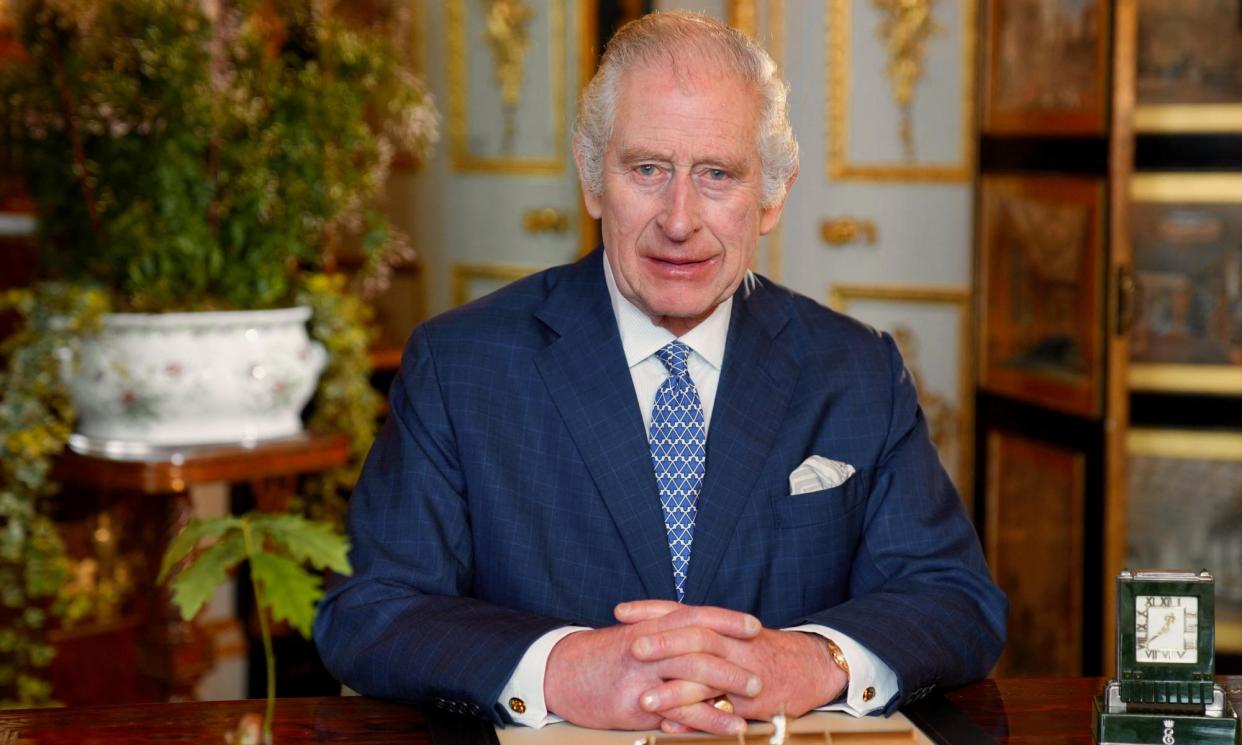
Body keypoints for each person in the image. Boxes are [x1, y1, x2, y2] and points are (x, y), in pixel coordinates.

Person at [313, 11, 1006, 737]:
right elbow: (369, 609)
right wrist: (562, 667)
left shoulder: (857, 368)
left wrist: (809, 657)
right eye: (647, 169)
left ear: (771, 196)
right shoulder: (459, 365)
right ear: (591, 179)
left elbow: (957, 600)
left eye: (717, 174)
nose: (680, 219)